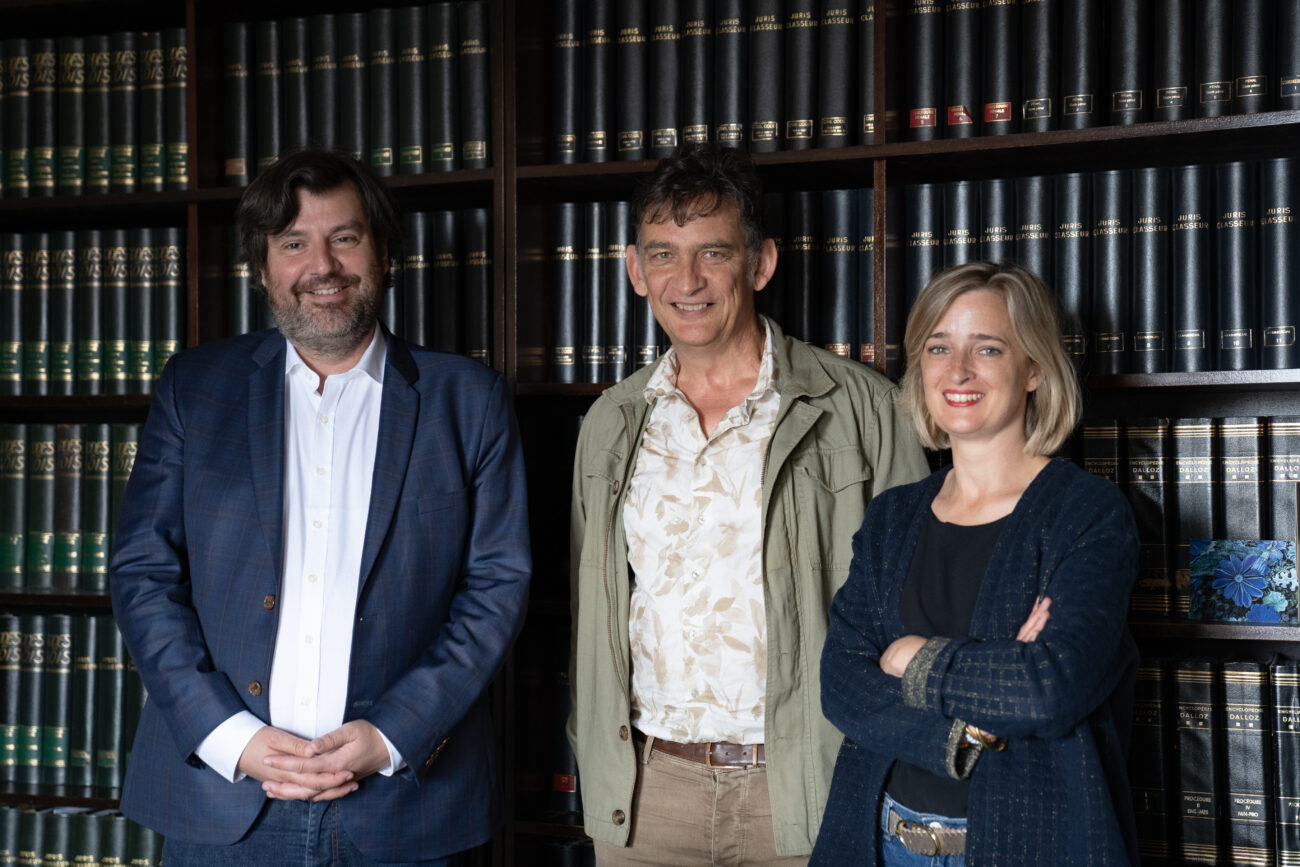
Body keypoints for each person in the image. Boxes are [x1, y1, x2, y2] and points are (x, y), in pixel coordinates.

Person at [108, 149, 531, 866]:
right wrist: (231, 737)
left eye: (345, 237)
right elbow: (143, 573)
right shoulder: (195, 390)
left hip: (404, 803)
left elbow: (497, 587)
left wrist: (392, 735)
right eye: (293, 243)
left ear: (385, 252)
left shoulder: (469, 400)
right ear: (262, 267)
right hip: (224, 798)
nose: (322, 266)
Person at [568, 142, 930, 865]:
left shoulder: (862, 408)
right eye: (663, 255)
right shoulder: (610, 421)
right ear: (635, 270)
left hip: (808, 784)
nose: (687, 281)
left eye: (713, 253)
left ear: (760, 263)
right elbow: (593, 610)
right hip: (647, 794)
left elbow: (917, 600)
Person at [811, 261, 1140, 866]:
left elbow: (1048, 688)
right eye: (939, 347)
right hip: (882, 842)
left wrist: (911, 657)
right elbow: (841, 684)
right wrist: (970, 725)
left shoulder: (1087, 513)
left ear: (1034, 368)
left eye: (987, 348)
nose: (957, 370)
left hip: (1026, 849)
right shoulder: (892, 517)